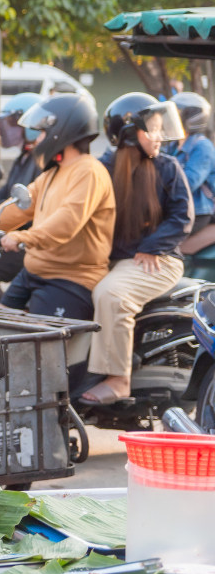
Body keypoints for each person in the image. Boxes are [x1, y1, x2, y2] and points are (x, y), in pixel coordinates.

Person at [80, 93, 192, 405]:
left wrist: (152, 247)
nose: (159, 136)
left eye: (159, 128)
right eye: (152, 129)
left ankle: (119, 379)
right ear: (129, 133)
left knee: (111, 295)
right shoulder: (102, 168)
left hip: (157, 260)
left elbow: (182, 217)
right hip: (109, 261)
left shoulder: (168, 167)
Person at [0, 95, 115, 321]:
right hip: (34, 271)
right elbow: (21, 205)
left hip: (69, 278)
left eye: (42, 132)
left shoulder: (88, 171)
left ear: (62, 131)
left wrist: (22, 237)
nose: (38, 139)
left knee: (40, 342)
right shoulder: (53, 172)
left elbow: (67, 221)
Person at [0, 93, 43, 304]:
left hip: (24, 240)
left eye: (14, 124)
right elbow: (4, 194)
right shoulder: (23, 158)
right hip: (6, 233)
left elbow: (24, 205)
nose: (8, 130)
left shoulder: (40, 162)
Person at [165, 92, 215, 234]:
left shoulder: (202, 146)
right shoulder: (173, 146)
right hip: (176, 209)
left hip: (198, 211)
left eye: (176, 114)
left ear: (190, 117)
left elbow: (187, 183)